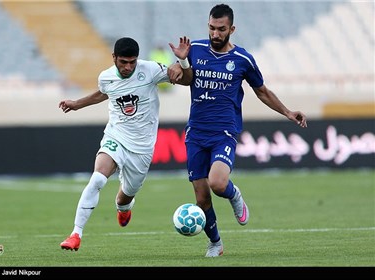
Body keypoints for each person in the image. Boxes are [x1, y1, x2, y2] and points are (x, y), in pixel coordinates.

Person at [168, 4, 307, 257]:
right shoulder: (194, 49)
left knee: (218, 183)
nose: (215, 34)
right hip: (196, 133)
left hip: (224, 132)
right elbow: (187, 79)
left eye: (221, 29)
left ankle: (234, 196)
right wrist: (180, 62)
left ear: (231, 29)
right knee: (201, 199)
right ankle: (215, 243)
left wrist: (287, 112)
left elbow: (262, 91)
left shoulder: (242, 59)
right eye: (211, 28)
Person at [59, 37, 191, 251]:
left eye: (132, 62)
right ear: (114, 58)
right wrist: (76, 104)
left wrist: (181, 64)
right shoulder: (106, 76)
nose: (128, 67)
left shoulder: (150, 70)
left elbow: (185, 79)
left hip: (142, 147)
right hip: (116, 136)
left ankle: (124, 208)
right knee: (97, 179)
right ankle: (75, 234)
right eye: (123, 62)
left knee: (124, 197)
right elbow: (103, 93)